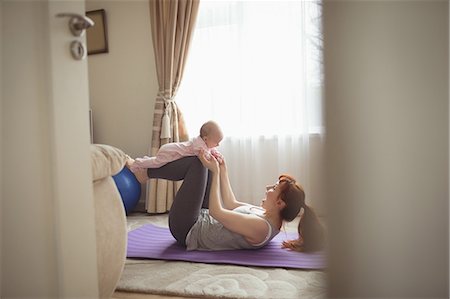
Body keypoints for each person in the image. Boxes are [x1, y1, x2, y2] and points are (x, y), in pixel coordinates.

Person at [129, 151, 324, 252]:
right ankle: (146, 172)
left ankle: (145, 173)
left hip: (187, 229)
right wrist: (223, 169)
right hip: (201, 219)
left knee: (198, 164)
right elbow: (230, 203)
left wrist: (213, 171)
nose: (268, 188)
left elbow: (217, 211)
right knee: (203, 159)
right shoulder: (265, 215)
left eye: (273, 189)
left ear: (281, 203)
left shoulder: (261, 228)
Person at [130, 120, 224, 172]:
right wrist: (214, 159)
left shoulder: (204, 143)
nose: (218, 145)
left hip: (171, 149)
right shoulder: (198, 145)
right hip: (170, 151)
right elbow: (206, 156)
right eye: (216, 142)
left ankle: (146, 160)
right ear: (206, 139)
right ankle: (138, 162)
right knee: (157, 163)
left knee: (156, 160)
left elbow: (211, 150)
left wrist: (217, 155)